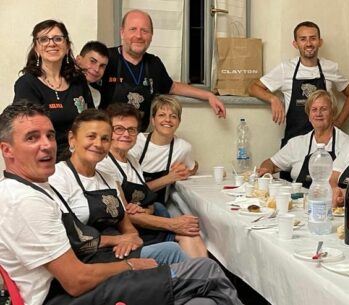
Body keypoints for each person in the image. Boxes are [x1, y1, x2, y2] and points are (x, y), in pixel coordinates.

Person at [0, 103, 243, 305]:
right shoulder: (26, 199)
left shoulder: (36, 187)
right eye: (32, 138)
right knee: (206, 272)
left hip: (85, 268)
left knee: (201, 295)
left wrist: (129, 238)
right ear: (7, 150)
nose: (47, 145)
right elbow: (76, 280)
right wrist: (129, 265)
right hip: (62, 294)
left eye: (50, 136)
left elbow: (85, 240)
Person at [49, 109, 187, 265]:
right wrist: (116, 240)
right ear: (72, 139)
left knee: (187, 258)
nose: (98, 144)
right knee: (173, 252)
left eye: (105, 139)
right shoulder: (58, 177)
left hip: (119, 251)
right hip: (86, 258)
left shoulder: (107, 178)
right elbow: (69, 237)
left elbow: (128, 226)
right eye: (91, 136)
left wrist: (131, 239)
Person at [97, 103, 207, 257]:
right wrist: (173, 224)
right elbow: (123, 215)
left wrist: (145, 209)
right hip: (126, 233)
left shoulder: (132, 161)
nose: (126, 134)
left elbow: (148, 202)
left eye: (132, 130)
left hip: (146, 223)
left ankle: (205, 278)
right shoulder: (104, 164)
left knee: (192, 233)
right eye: (119, 129)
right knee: (185, 231)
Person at [98, 9, 225, 132]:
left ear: (151, 36)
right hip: (106, 140)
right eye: (133, 29)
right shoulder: (106, 59)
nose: (139, 35)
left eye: (144, 30)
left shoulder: (154, 64)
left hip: (137, 138)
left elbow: (173, 87)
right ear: (122, 33)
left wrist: (208, 95)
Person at [248, 21, 349, 147]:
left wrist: (339, 122)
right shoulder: (285, 69)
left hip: (325, 144)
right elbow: (253, 88)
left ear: (320, 42)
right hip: (293, 143)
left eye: (313, 38)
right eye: (303, 39)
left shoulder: (330, 67)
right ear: (295, 44)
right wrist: (273, 99)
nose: (309, 43)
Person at [13, 19, 94, 160]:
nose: (51, 43)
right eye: (44, 39)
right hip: (47, 160)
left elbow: (92, 118)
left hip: (82, 156)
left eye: (58, 38)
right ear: (36, 48)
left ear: (67, 45)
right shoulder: (27, 84)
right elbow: (29, 133)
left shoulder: (78, 80)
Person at [257, 89, 349, 187]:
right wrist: (266, 170)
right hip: (298, 199)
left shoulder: (348, 145)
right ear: (309, 116)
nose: (318, 114)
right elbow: (269, 163)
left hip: (330, 200)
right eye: (314, 109)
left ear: (333, 113)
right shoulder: (296, 143)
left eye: (323, 109)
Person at [129, 95, 198, 204]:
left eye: (173, 116)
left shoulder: (183, 147)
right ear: (153, 120)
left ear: (179, 122)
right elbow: (130, 190)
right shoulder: (136, 143)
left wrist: (186, 171)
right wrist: (169, 178)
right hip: (132, 205)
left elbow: (193, 167)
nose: (167, 120)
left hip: (159, 205)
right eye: (161, 115)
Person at [75, 40, 109, 109]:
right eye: (92, 61)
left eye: (102, 66)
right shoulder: (62, 86)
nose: (96, 69)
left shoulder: (96, 95)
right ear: (78, 60)